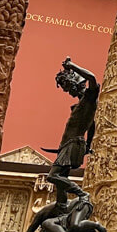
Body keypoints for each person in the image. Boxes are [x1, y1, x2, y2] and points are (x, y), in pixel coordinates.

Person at [44, 57, 99, 202]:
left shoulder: (89, 98)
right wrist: (88, 145)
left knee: (53, 176)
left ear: (76, 83)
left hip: (72, 144)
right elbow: (92, 125)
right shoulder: (81, 104)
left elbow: (92, 78)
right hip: (69, 143)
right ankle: (61, 206)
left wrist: (72, 66)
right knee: (61, 180)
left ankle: (82, 194)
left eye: (69, 88)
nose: (69, 92)